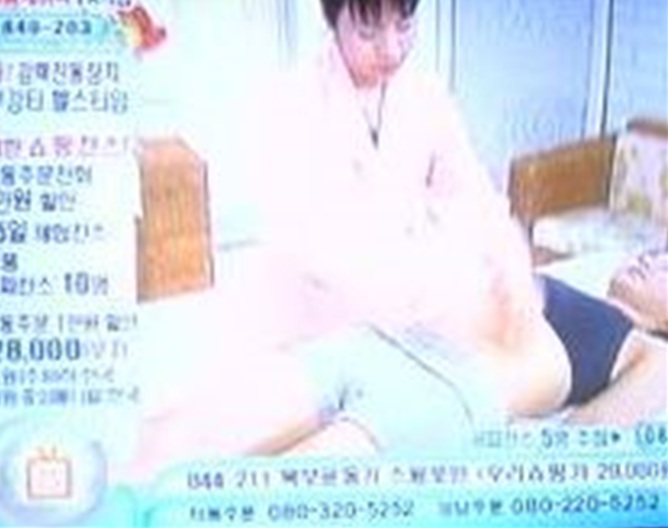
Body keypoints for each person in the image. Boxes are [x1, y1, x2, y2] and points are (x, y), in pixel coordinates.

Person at [120, 0, 666, 479]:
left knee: (266, 493)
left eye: (405, 25)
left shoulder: (642, 349)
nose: (392, 49)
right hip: (343, 323)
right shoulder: (292, 101)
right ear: (334, 21)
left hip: (437, 375)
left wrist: (508, 258)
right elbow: (307, 238)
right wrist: (440, 291)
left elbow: (474, 196)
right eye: (369, 30)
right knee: (165, 442)